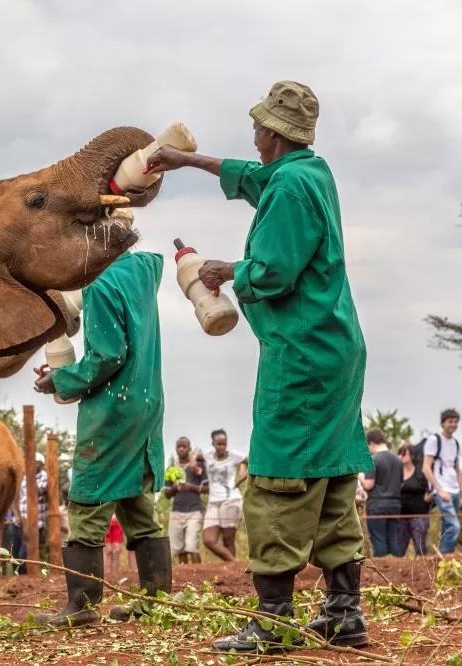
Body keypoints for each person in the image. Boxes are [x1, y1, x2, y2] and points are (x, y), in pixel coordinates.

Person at [147, 80, 372, 652]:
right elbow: (253, 176)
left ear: (271, 132)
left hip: (301, 356)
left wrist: (225, 271)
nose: (253, 133)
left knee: (278, 476)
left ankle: (272, 621)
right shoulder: (309, 172)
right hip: (335, 351)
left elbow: (272, 271)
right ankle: (344, 612)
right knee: (332, 473)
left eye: (258, 126)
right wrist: (185, 159)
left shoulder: (292, 189)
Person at [32, 249, 170, 626]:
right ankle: (156, 603)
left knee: (89, 499)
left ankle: (82, 605)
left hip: (113, 409)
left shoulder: (103, 285)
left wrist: (59, 379)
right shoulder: (141, 270)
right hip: (145, 400)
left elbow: (107, 356)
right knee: (136, 500)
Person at [202, 430, 246, 562]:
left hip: (231, 499)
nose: (222, 447)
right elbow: (194, 459)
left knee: (228, 539)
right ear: (213, 444)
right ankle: (235, 563)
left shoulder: (234, 456)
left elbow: (247, 460)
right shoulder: (207, 455)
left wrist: (242, 473)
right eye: (219, 444)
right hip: (213, 501)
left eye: (224, 444)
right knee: (209, 540)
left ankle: (233, 572)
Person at [422, 408, 461, 554]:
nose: (454, 424)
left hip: (455, 490)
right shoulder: (434, 440)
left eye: (456, 421)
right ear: (443, 423)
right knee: (454, 526)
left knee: (448, 526)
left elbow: (458, 470)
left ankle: (444, 560)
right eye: (450, 421)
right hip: (441, 489)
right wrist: (439, 490)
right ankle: (444, 559)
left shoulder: (457, 443)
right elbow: (426, 468)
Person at [163, 437, 207, 564]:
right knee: (179, 549)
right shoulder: (171, 468)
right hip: (176, 512)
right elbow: (166, 494)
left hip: (194, 511)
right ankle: (186, 577)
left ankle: (199, 575)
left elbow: (208, 488)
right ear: (176, 449)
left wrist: (191, 487)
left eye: (184, 446)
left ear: (189, 449)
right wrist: (175, 488)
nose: (181, 449)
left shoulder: (198, 466)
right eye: (178, 446)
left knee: (192, 546)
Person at [360, 429, 402, 557]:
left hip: (377, 505)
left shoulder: (373, 459)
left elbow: (368, 485)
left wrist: (359, 476)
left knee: (379, 541)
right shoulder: (397, 459)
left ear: (371, 443)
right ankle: (397, 571)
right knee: (393, 540)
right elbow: (400, 483)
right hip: (395, 505)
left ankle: (382, 573)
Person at [397, 443, 430, 557]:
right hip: (401, 517)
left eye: (404, 453)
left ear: (412, 455)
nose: (401, 456)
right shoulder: (397, 472)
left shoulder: (420, 472)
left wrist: (428, 498)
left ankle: (424, 572)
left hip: (419, 516)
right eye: (399, 453)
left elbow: (431, 488)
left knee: (420, 548)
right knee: (399, 550)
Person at [104, 514, 124, 581]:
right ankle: (105, 576)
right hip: (106, 520)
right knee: (107, 552)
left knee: (116, 551)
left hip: (117, 522)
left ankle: (114, 576)